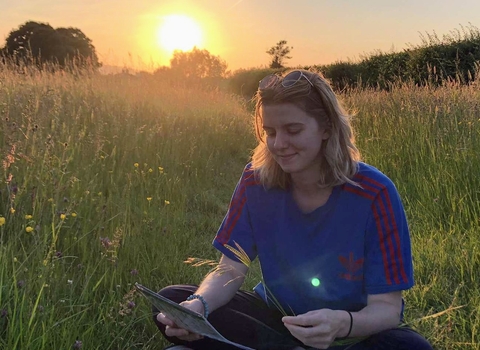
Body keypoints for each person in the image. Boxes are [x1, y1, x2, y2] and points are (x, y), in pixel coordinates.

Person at [154, 70, 433, 350]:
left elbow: (387, 308)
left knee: (409, 347)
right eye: (270, 132)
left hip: (350, 331)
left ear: (326, 127)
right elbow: (230, 270)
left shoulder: (375, 192)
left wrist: (342, 324)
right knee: (174, 300)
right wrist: (198, 305)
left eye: (293, 130)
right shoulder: (255, 181)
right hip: (277, 320)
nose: (278, 144)